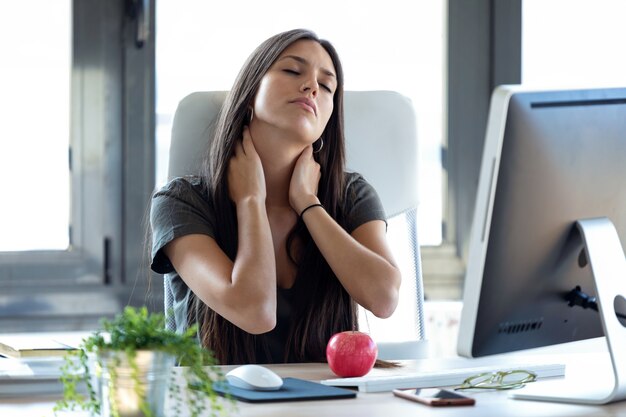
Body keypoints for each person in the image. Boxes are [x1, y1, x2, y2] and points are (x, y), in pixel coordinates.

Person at [150, 28, 401, 365]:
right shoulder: (180, 202)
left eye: (326, 86)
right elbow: (255, 312)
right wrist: (250, 201)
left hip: (327, 405)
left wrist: (308, 204)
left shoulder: (350, 195)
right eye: (292, 71)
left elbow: (384, 299)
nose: (312, 86)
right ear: (250, 93)